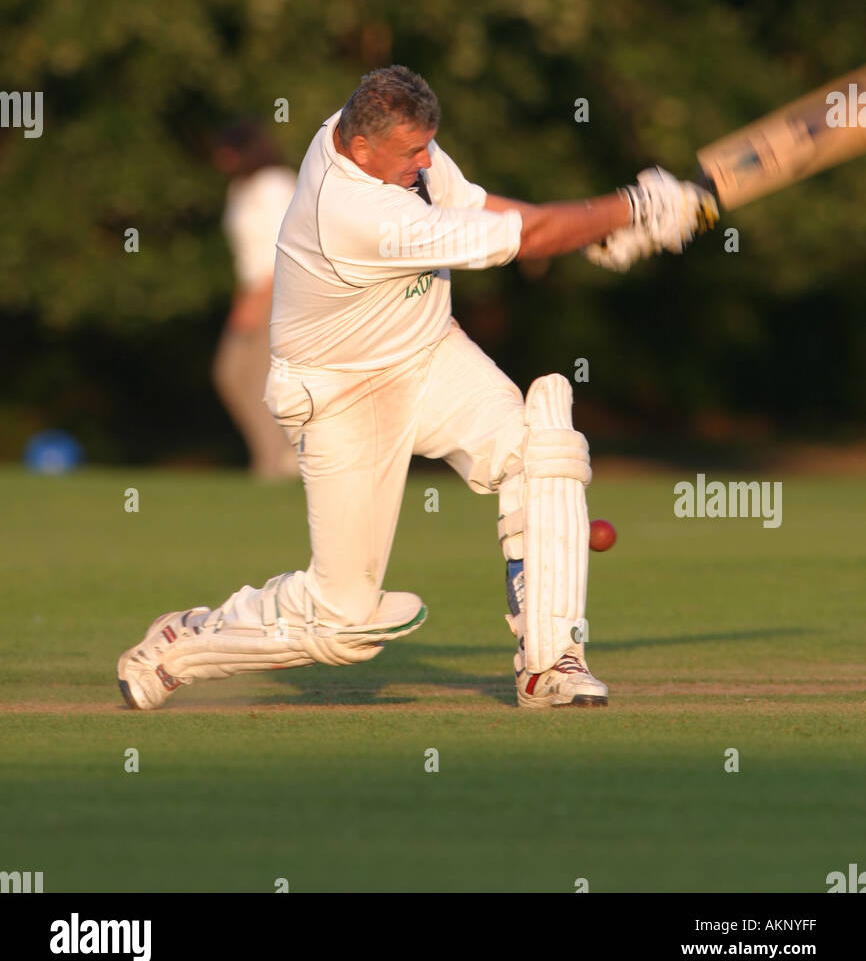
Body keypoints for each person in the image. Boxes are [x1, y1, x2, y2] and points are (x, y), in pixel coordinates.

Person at [118, 66, 716, 711]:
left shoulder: (386, 146)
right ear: (358, 146)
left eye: (427, 144)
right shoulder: (353, 211)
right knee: (343, 623)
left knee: (543, 451)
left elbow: (483, 208)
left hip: (430, 356)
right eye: (412, 152)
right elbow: (528, 238)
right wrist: (632, 208)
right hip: (341, 396)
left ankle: (552, 664)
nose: (426, 160)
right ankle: (183, 641)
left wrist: (598, 227)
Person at [211, 120, 301, 479]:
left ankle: (275, 463)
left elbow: (287, 244)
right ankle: (280, 458)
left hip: (280, 291)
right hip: (252, 290)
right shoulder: (240, 188)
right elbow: (246, 253)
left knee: (261, 378)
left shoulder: (275, 184)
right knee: (232, 375)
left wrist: (259, 297)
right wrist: (243, 298)